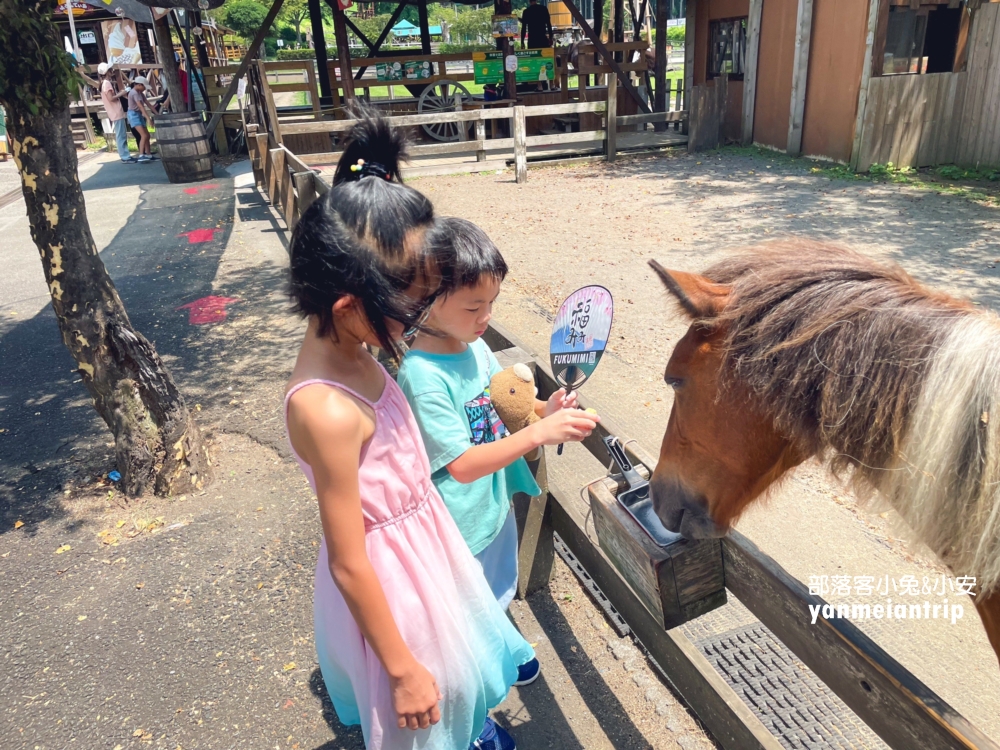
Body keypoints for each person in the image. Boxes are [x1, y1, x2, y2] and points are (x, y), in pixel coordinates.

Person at [284, 112, 532, 750]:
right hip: (392, 584)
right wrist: (399, 668)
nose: (417, 324)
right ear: (349, 306)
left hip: (427, 548)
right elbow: (347, 559)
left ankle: (468, 728)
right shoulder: (326, 409)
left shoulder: (356, 347)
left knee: (458, 670)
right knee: (425, 695)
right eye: (411, 311)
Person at [397, 218, 600, 683]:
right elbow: (463, 466)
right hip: (457, 523)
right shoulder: (423, 377)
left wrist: (544, 411)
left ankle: (498, 639)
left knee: (491, 589)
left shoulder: (472, 346)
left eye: (492, 303)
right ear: (423, 299)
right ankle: (472, 694)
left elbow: (504, 404)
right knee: (462, 608)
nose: (486, 317)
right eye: (474, 306)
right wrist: (536, 437)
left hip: (491, 505)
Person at [97, 63, 135, 163]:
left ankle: (125, 155)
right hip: (116, 111)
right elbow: (111, 98)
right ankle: (125, 156)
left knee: (120, 134)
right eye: (110, 70)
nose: (112, 71)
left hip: (114, 111)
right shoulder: (107, 83)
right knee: (121, 135)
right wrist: (122, 93)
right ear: (107, 71)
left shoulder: (103, 83)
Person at [127, 76, 157, 163]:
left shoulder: (140, 93)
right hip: (133, 114)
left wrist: (157, 114)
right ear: (140, 85)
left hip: (139, 114)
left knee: (147, 135)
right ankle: (141, 155)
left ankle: (148, 154)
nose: (144, 89)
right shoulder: (134, 93)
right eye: (144, 87)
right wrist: (148, 119)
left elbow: (148, 104)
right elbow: (140, 106)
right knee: (143, 135)